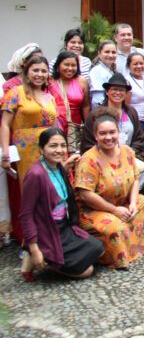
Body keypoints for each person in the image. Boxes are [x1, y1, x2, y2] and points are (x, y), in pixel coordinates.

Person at [19, 128, 104, 280]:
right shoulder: (35, 174)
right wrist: (34, 247)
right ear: (41, 149)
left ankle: (49, 258)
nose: (59, 150)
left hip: (63, 228)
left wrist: (66, 168)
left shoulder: (58, 167)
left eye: (62, 146)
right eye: (53, 146)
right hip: (47, 232)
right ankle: (38, 257)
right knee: (87, 271)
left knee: (99, 249)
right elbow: (26, 215)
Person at [74, 113, 144, 268]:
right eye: (102, 133)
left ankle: (135, 248)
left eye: (112, 132)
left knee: (142, 202)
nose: (108, 137)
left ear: (118, 133)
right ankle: (116, 256)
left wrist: (131, 203)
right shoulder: (88, 159)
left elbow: (135, 178)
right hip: (95, 209)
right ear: (95, 136)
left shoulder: (127, 151)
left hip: (121, 202)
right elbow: (85, 194)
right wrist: (114, 210)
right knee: (115, 227)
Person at [1, 55, 58, 242]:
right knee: (30, 196)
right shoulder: (15, 93)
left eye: (43, 71)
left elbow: (55, 125)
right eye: (35, 70)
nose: (39, 74)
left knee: (49, 192)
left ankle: (49, 238)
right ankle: (29, 242)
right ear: (26, 71)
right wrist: (6, 153)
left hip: (49, 149)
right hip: (26, 151)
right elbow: (5, 125)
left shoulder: (49, 96)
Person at [81, 75, 144, 173]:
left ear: (126, 93)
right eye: (114, 89)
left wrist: (127, 153)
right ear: (107, 92)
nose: (118, 93)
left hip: (128, 157)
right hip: (102, 160)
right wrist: (109, 155)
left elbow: (139, 138)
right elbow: (88, 143)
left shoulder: (131, 112)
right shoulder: (95, 115)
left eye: (121, 90)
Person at [49, 51, 90, 153]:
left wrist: (87, 127)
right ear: (58, 66)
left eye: (73, 65)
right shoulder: (49, 81)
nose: (70, 68)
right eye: (66, 64)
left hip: (75, 126)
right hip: (54, 124)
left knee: (74, 156)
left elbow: (86, 106)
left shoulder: (82, 81)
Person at [125, 52, 144, 130]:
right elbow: (126, 106)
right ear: (128, 66)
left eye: (141, 63)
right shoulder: (127, 81)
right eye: (135, 64)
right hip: (137, 121)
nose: (139, 66)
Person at [88, 40, 117, 108]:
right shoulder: (97, 71)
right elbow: (97, 101)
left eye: (113, 52)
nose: (110, 55)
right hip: (103, 113)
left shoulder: (110, 70)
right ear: (99, 53)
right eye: (107, 52)